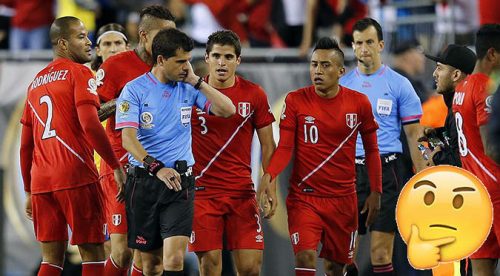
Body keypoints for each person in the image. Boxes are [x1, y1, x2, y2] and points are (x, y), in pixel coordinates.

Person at [117, 28, 235, 275]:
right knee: (151, 264)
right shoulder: (134, 90)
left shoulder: (188, 86)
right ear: (161, 60)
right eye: (181, 61)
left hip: (180, 183)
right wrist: (156, 168)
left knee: (173, 261)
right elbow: (128, 140)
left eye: (189, 60)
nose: (186, 67)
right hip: (144, 182)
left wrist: (197, 81)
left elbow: (228, 110)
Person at [261, 37, 382, 276]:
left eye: (325, 65)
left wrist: (376, 192)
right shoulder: (295, 101)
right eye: (314, 64)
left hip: (343, 199)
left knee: (335, 268)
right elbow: (285, 148)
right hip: (304, 198)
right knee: (305, 257)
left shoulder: (359, 103)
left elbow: (371, 150)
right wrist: (270, 176)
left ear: (340, 71)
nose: (317, 70)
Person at [19, 16, 125, 276]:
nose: (88, 42)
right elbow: (90, 124)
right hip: (76, 174)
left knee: (51, 260)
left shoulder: (35, 82)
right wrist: (115, 165)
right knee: (93, 253)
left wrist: (29, 191)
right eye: (81, 37)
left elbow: (25, 145)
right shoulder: (79, 72)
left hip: (42, 181)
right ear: (63, 43)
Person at [340, 18, 427, 275]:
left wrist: (421, 178)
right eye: (358, 43)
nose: (364, 48)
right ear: (353, 47)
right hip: (349, 174)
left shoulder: (400, 85)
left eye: (369, 42)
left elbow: (414, 135)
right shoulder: (342, 86)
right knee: (345, 253)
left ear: (380, 45)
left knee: (380, 252)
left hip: (387, 172)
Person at [96, 5, 176, 276]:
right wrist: (126, 99)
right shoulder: (115, 66)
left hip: (155, 168)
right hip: (119, 165)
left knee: (149, 257)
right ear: (143, 35)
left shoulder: (171, 67)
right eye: (162, 36)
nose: (169, 43)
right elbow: (94, 113)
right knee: (121, 250)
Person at [188, 30, 277, 275]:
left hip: (241, 191)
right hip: (203, 192)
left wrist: (269, 184)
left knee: (250, 268)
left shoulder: (254, 94)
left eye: (228, 57)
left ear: (238, 60)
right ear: (206, 58)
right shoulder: (191, 93)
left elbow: (269, 144)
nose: (221, 62)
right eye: (216, 56)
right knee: (210, 266)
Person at [452, 24, 500, 276]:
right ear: (492, 54)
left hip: (473, 189)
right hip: (495, 185)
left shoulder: (461, 87)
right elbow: (491, 147)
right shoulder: (485, 87)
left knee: (482, 268)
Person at [423, 44, 477, 167]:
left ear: (456, 75)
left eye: (439, 68)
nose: (434, 74)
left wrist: (436, 157)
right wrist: (434, 135)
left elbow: (460, 161)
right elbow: (455, 140)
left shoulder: (461, 109)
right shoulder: (458, 102)